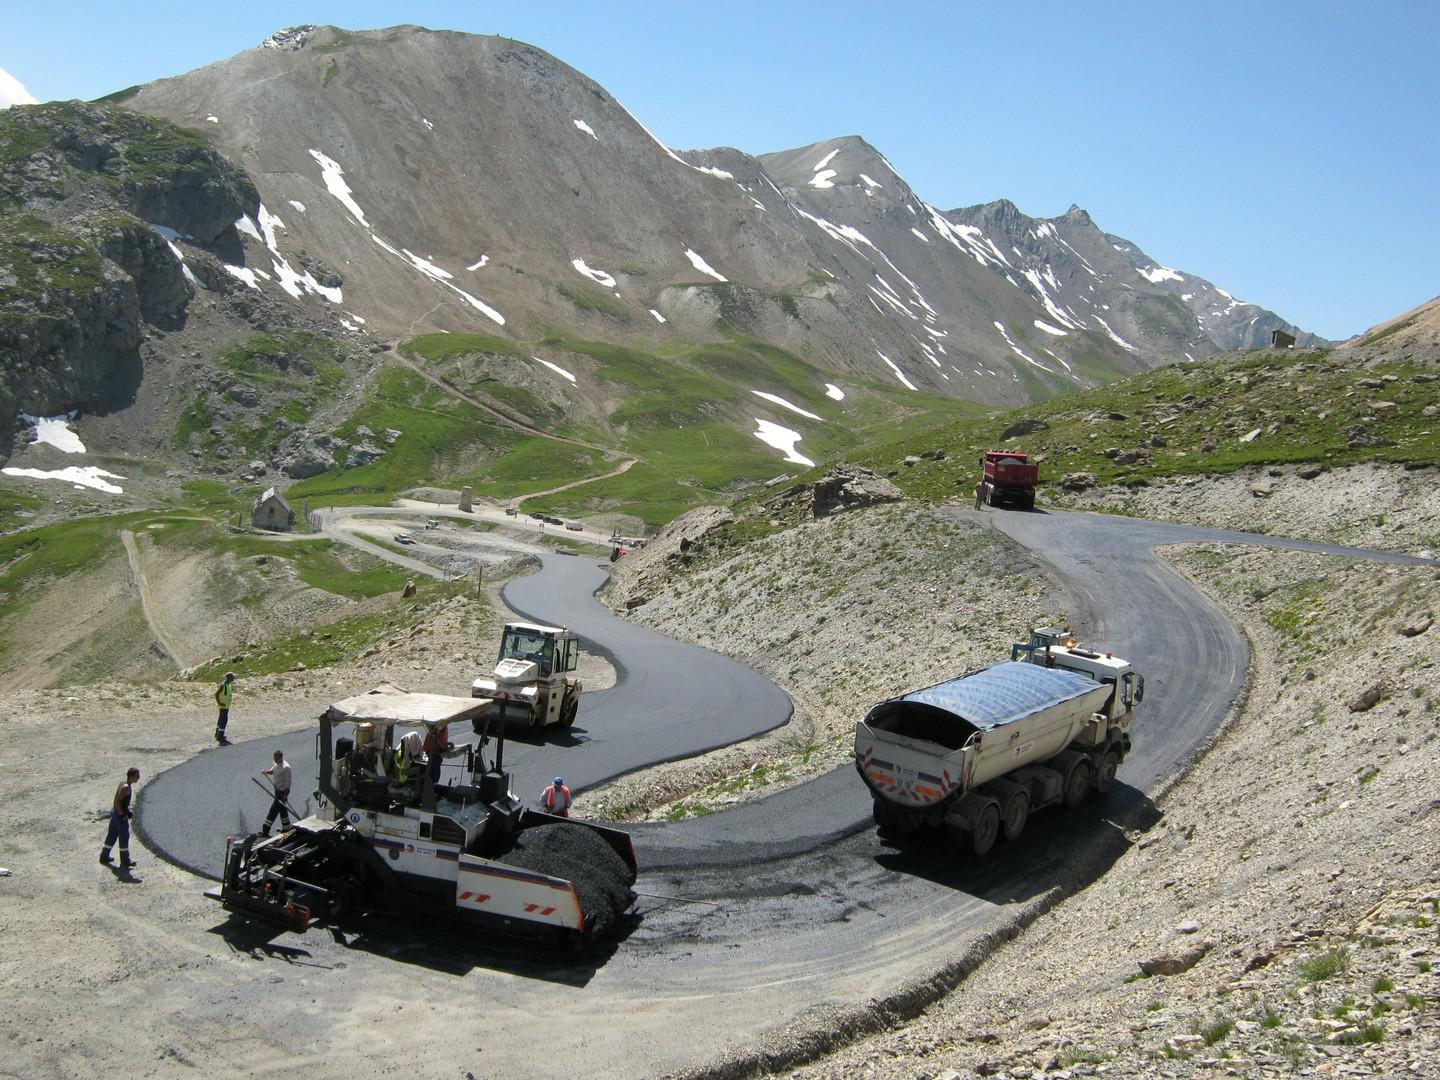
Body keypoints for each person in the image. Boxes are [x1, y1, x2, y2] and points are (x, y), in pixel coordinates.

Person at [100, 767, 140, 868]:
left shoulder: (123, 783)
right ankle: (125, 860)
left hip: (114, 813)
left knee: (112, 835)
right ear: (131, 776)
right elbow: (117, 802)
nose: (138, 778)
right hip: (119, 815)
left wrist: (127, 811)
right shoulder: (125, 787)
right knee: (124, 836)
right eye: (137, 776)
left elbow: (119, 803)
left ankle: (104, 856)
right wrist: (122, 815)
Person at [259, 750, 292, 837]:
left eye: (276, 758)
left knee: (273, 811)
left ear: (281, 757)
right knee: (282, 810)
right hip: (277, 791)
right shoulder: (275, 763)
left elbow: (288, 783)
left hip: (282, 793)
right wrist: (266, 772)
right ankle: (286, 827)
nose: (275, 760)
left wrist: (285, 795)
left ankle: (265, 829)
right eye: (274, 758)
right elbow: (273, 771)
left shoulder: (286, 768)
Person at [214, 672, 237, 745]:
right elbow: (216, 694)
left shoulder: (229, 684)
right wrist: (219, 703)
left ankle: (218, 734)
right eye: (232, 677)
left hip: (226, 706)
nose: (234, 678)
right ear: (229, 677)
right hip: (223, 706)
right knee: (223, 720)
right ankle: (220, 737)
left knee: (221, 719)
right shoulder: (223, 685)